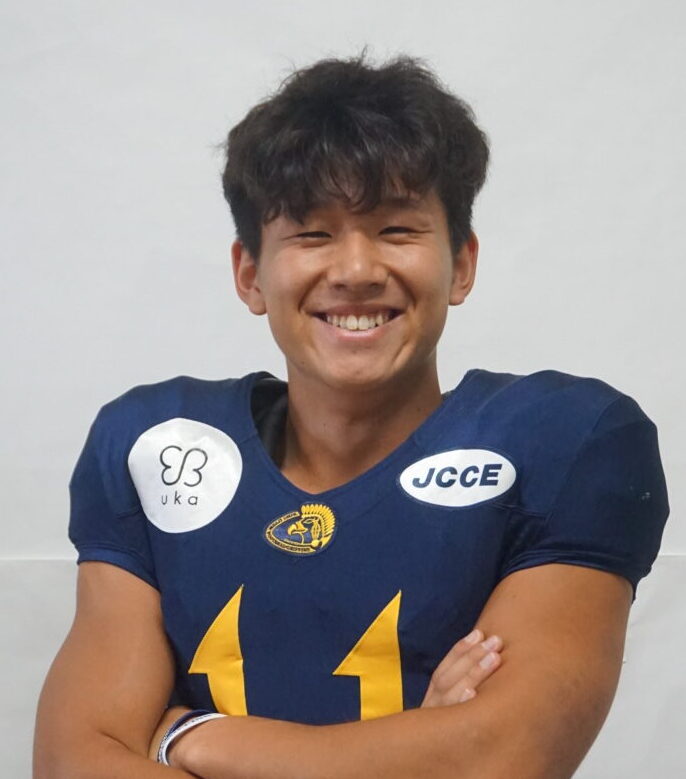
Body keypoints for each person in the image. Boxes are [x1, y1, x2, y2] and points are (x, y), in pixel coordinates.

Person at [33, 49, 669, 778]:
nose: (357, 270)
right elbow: (72, 762)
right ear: (251, 274)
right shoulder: (157, 446)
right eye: (312, 234)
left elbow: (493, 760)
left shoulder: (571, 440)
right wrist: (414, 748)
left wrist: (193, 738)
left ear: (461, 264)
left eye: (397, 230)